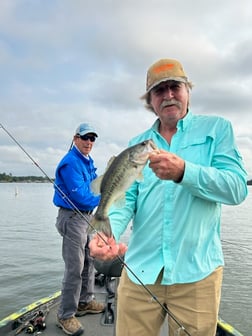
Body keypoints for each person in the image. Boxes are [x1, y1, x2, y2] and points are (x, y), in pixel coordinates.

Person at [89, 59, 248, 336]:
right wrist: (108, 233)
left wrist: (184, 172)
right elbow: (125, 199)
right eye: (159, 90)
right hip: (140, 271)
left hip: (197, 273)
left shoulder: (217, 130)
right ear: (150, 100)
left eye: (175, 86)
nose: (169, 95)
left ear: (188, 90)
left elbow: (236, 188)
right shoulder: (137, 144)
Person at [53, 123, 105, 336]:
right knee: (75, 267)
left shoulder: (87, 160)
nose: (89, 142)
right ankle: (65, 315)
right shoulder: (70, 163)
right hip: (72, 217)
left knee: (90, 260)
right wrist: (108, 196)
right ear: (75, 138)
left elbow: (93, 187)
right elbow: (82, 197)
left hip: (87, 217)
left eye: (92, 139)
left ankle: (85, 301)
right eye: (85, 138)